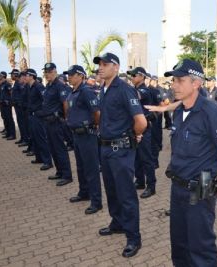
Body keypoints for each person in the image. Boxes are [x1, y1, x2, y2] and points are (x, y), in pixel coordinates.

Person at [164, 58, 217, 267]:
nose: (174, 85)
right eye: (173, 81)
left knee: (200, 245)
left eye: (179, 80)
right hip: (177, 185)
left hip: (201, 186)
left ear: (196, 83)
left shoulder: (211, 111)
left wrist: (211, 173)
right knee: (179, 244)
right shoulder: (179, 111)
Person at [95, 53, 147, 258]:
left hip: (121, 149)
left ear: (116, 67)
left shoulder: (125, 89)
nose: (100, 67)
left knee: (126, 195)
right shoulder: (103, 89)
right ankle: (117, 223)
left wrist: (133, 137)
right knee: (111, 190)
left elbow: (141, 122)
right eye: (99, 64)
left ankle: (134, 237)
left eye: (105, 64)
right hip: (105, 148)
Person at [64, 65, 102, 215]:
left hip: (87, 135)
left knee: (91, 169)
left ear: (81, 76)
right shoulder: (73, 92)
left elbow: (97, 113)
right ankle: (84, 192)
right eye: (69, 75)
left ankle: (96, 201)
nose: (69, 77)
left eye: (72, 75)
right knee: (80, 167)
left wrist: (95, 128)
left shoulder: (86, 91)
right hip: (77, 135)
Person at [127, 67, 158, 198]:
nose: (132, 78)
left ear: (141, 76)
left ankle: (151, 186)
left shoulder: (144, 90)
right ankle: (140, 181)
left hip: (144, 129)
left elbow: (136, 96)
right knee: (137, 158)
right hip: (135, 128)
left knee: (146, 159)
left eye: (134, 75)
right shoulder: (135, 89)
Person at [41, 63, 73, 186]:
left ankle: (67, 175)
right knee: (53, 148)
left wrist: (66, 119)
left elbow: (65, 104)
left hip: (57, 122)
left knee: (60, 149)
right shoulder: (48, 86)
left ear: (55, 71)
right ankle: (59, 171)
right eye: (45, 72)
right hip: (48, 122)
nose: (47, 74)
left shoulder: (60, 86)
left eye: (49, 72)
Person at [25, 69, 53, 171]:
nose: (25, 77)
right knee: (35, 138)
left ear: (32, 76)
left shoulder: (38, 86)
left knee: (41, 139)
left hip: (38, 116)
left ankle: (47, 161)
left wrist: (41, 113)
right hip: (32, 115)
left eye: (26, 75)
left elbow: (45, 100)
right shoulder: (29, 87)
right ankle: (39, 158)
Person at [10, 69, 28, 145]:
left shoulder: (20, 83)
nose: (11, 76)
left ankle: (25, 139)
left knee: (23, 124)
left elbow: (22, 95)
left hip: (21, 107)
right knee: (20, 123)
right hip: (17, 106)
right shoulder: (16, 83)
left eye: (12, 74)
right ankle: (23, 138)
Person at [149, 75, 163, 169]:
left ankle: (155, 161)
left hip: (155, 119)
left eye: (155, 81)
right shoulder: (148, 90)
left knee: (155, 141)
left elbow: (160, 105)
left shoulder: (156, 91)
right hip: (148, 120)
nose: (154, 82)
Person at [0, 71, 16, 140]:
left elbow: (11, 93)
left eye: (0, 75)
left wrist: (10, 102)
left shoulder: (7, 84)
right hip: (2, 104)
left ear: (3, 76)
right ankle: (8, 133)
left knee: (9, 119)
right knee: (5, 119)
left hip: (7, 104)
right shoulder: (2, 84)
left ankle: (12, 134)